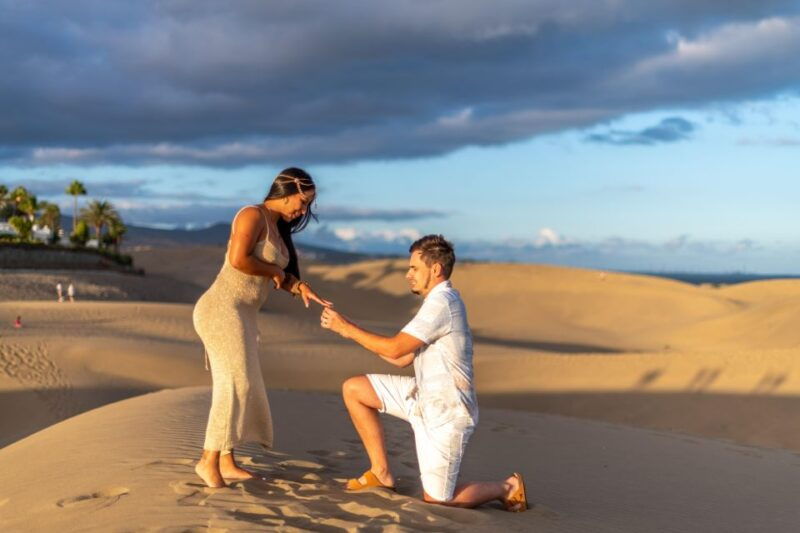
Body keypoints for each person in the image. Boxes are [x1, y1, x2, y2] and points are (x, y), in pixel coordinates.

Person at [320, 235, 527, 512]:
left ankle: (507, 487)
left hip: (447, 413)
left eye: (414, 268)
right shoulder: (435, 303)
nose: (408, 275)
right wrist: (350, 329)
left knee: (439, 500)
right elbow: (402, 358)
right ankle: (381, 473)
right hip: (421, 397)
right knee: (355, 389)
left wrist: (347, 329)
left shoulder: (443, 304)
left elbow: (395, 349)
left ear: (436, 269)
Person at [192, 167, 332, 488]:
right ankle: (207, 460)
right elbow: (239, 259)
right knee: (236, 384)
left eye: (308, 205)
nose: (304, 211)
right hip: (221, 309)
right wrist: (276, 273)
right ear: (287, 190)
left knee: (245, 384)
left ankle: (227, 461)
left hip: (243, 314)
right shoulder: (251, 215)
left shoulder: (278, 227)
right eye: (303, 202)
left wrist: (299, 286)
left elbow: (278, 275)